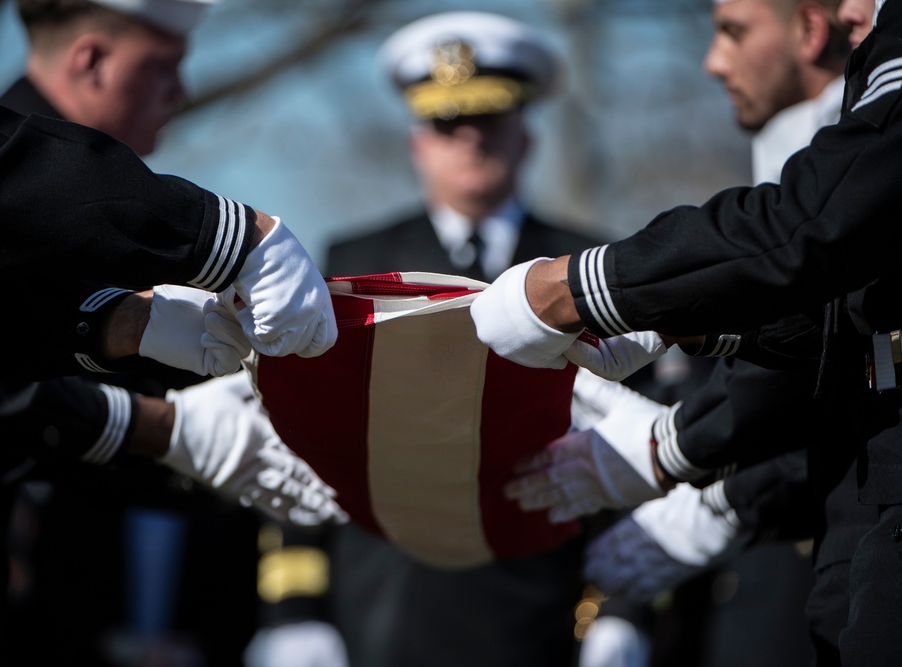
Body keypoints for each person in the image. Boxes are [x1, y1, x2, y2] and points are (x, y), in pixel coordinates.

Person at [472, 0, 899, 663]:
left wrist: (573, 290)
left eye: (733, 32)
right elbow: (845, 317)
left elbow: (807, 227)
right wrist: (678, 340)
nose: (712, 61)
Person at [248, 12, 602, 667]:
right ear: (418, 143)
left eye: (489, 119)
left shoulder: (587, 266)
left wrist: (615, 606)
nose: (469, 139)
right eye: (446, 123)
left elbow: (618, 447)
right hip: (384, 600)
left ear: (526, 133)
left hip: (539, 603)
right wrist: (294, 608)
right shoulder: (353, 262)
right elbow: (305, 439)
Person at [0, 0, 337, 380]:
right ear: (91, 61)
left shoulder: (109, 208)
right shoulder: (55, 196)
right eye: (162, 66)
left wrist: (121, 323)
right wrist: (231, 237)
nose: (181, 91)